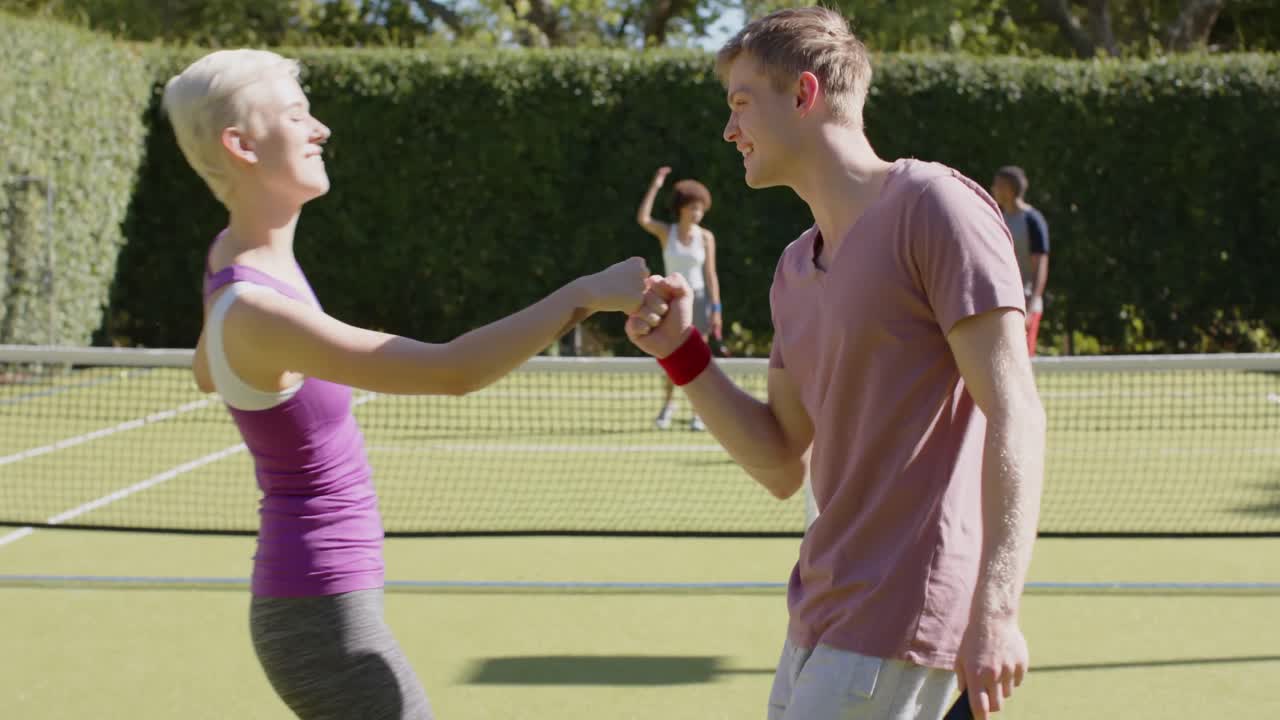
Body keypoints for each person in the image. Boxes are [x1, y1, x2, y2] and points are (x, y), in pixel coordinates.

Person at [163, 49, 654, 720]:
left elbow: (203, 370)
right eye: (297, 115)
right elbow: (451, 371)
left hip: (321, 601)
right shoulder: (255, 309)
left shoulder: (233, 266)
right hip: (319, 622)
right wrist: (585, 295)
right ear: (240, 144)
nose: (320, 130)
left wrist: (237, 362)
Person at [626, 8, 1045, 720]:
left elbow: (1015, 412)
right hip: (816, 619)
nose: (729, 131)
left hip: (902, 617)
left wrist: (997, 610)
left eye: (740, 103)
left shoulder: (935, 208)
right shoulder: (794, 268)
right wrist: (681, 354)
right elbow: (782, 457)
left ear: (803, 95)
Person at [636, 166, 724, 431]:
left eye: (700, 209)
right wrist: (656, 184)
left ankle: (699, 413)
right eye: (693, 208)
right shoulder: (667, 233)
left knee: (699, 358)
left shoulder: (706, 237)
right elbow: (643, 218)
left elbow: (711, 275)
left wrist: (716, 309)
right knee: (671, 357)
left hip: (698, 299)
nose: (697, 213)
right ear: (681, 208)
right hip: (670, 300)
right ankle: (668, 407)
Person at [990, 166, 1050, 355]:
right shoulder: (998, 219)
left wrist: (1031, 308)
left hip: (1026, 304)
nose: (993, 189)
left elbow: (1040, 266)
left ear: (1009, 188)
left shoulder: (1032, 220)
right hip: (1002, 302)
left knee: (1023, 359)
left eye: (997, 185)